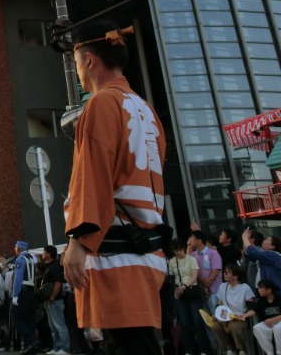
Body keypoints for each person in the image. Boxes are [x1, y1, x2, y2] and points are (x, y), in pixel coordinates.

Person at [62, 21, 167, 355]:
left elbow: (92, 178)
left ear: (89, 60)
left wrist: (78, 240)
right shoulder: (147, 110)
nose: (77, 71)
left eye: (76, 62)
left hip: (117, 255)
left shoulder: (101, 104)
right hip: (148, 251)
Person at [170, 239, 210, 355]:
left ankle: (203, 349)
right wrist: (177, 288)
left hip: (191, 291)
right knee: (184, 324)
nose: (178, 252)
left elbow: (194, 276)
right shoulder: (172, 262)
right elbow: (172, 278)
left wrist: (184, 286)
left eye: (180, 250)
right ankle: (189, 350)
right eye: (175, 250)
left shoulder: (191, 259)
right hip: (179, 294)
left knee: (198, 323)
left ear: (184, 248)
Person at [211, 264, 254, 355]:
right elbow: (219, 304)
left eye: (227, 272)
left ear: (235, 276)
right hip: (225, 318)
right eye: (224, 272)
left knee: (233, 325)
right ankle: (230, 348)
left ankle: (242, 349)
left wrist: (244, 315)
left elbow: (252, 307)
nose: (224, 274)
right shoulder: (222, 286)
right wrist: (217, 315)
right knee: (215, 326)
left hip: (240, 318)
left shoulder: (245, 288)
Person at [40, 246, 70, 355]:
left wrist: (52, 297)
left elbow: (58, 283)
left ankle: (65, 348)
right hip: (48, 301)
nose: (42, 253)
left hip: (55, 301)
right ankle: (56, 348)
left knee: (60, 325)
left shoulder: (55, 267)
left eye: (44, 251)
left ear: (49, 253)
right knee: (52, 327)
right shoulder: (48, 267)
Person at [10, 240, 39, 354]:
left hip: (23, 290)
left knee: (16, 318)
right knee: (29, 319)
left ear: (19, 249)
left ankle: (32, 341)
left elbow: (18, 278)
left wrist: (15, 295)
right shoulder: (31, 260)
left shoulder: (20, 259)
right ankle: (31, 347)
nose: (14, 249)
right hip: (31, 291)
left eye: (15, 248)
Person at [188, 230, 223, 311]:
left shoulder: (213, 253)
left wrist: (206, 285)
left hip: (215, 292)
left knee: (216, 316)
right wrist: (189, 246)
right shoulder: (193, 255)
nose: (190, 240)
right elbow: (187, 262)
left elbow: (215, 270)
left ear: (199, 241)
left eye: (192, 238)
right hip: (200, 291)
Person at [245, 279, 281, 355]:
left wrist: (272, 320)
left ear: (269, 290)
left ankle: (279, 352)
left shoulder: (278, 298)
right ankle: (269, 352)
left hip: (279, 323)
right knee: (257, 328)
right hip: (269, 324)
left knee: (278, 328)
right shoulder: (262, 301)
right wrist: (243, 316)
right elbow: (254, 310)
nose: (259, 290)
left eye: (261, 288)